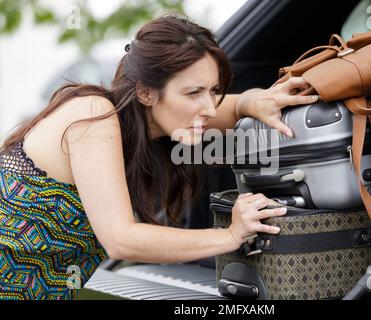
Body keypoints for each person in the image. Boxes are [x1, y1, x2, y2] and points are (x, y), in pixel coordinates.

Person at [0, 14, 318, 300]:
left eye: (213, 90)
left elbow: (234, 107)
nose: (208, 107)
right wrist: (230, 235)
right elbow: (121, 240)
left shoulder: (160, 121)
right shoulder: (93, 115)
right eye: (193, 92)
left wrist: (258, 100)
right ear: (147, 93)